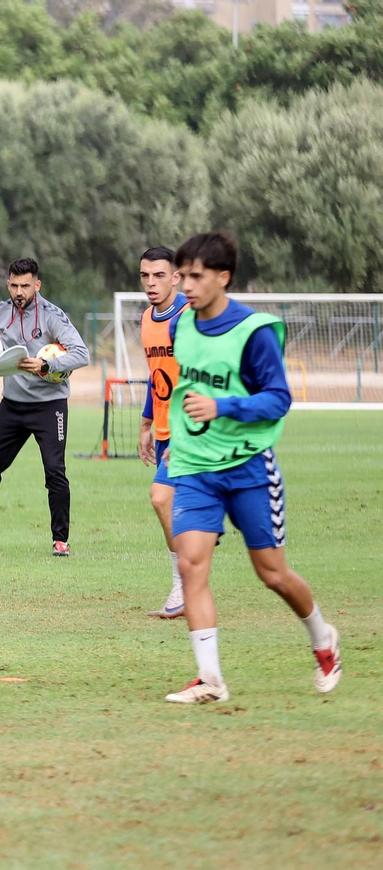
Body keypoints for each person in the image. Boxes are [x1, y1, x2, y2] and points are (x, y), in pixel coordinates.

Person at [160, 231, 340, 704]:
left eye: (195, 276)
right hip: (196, 467)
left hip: (248, 467)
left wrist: (223, 407)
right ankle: (210, 679)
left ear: (224, 277)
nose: (186, 286)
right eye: (182, 276)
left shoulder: (254, 331)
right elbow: (183, 388)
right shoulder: (181, 326)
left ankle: (324, 639)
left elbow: (279, 399)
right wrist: (171, 438)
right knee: (191, 564)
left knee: (272, 574)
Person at [0, 258, 89, 556]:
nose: (19, 291)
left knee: (55, 472)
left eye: (25, 285)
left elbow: (81, 354)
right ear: (7, 284)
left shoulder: (52, 316)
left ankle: (60, 541)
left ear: (37, 285)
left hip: (50, 406)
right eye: (14, 285)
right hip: (12, 405)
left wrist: (45, 363)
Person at [135, 247, 188, 618]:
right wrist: (146, 424)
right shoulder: (146, 319)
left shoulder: (189, 317)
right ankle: (188, 581)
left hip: (194, 432)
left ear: (176, 277)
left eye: (158, 276)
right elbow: (158, 378)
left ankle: (184, 582)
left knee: (160, 498)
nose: (151, 283)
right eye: (144, 276)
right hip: (167, 431)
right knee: (173, 504)